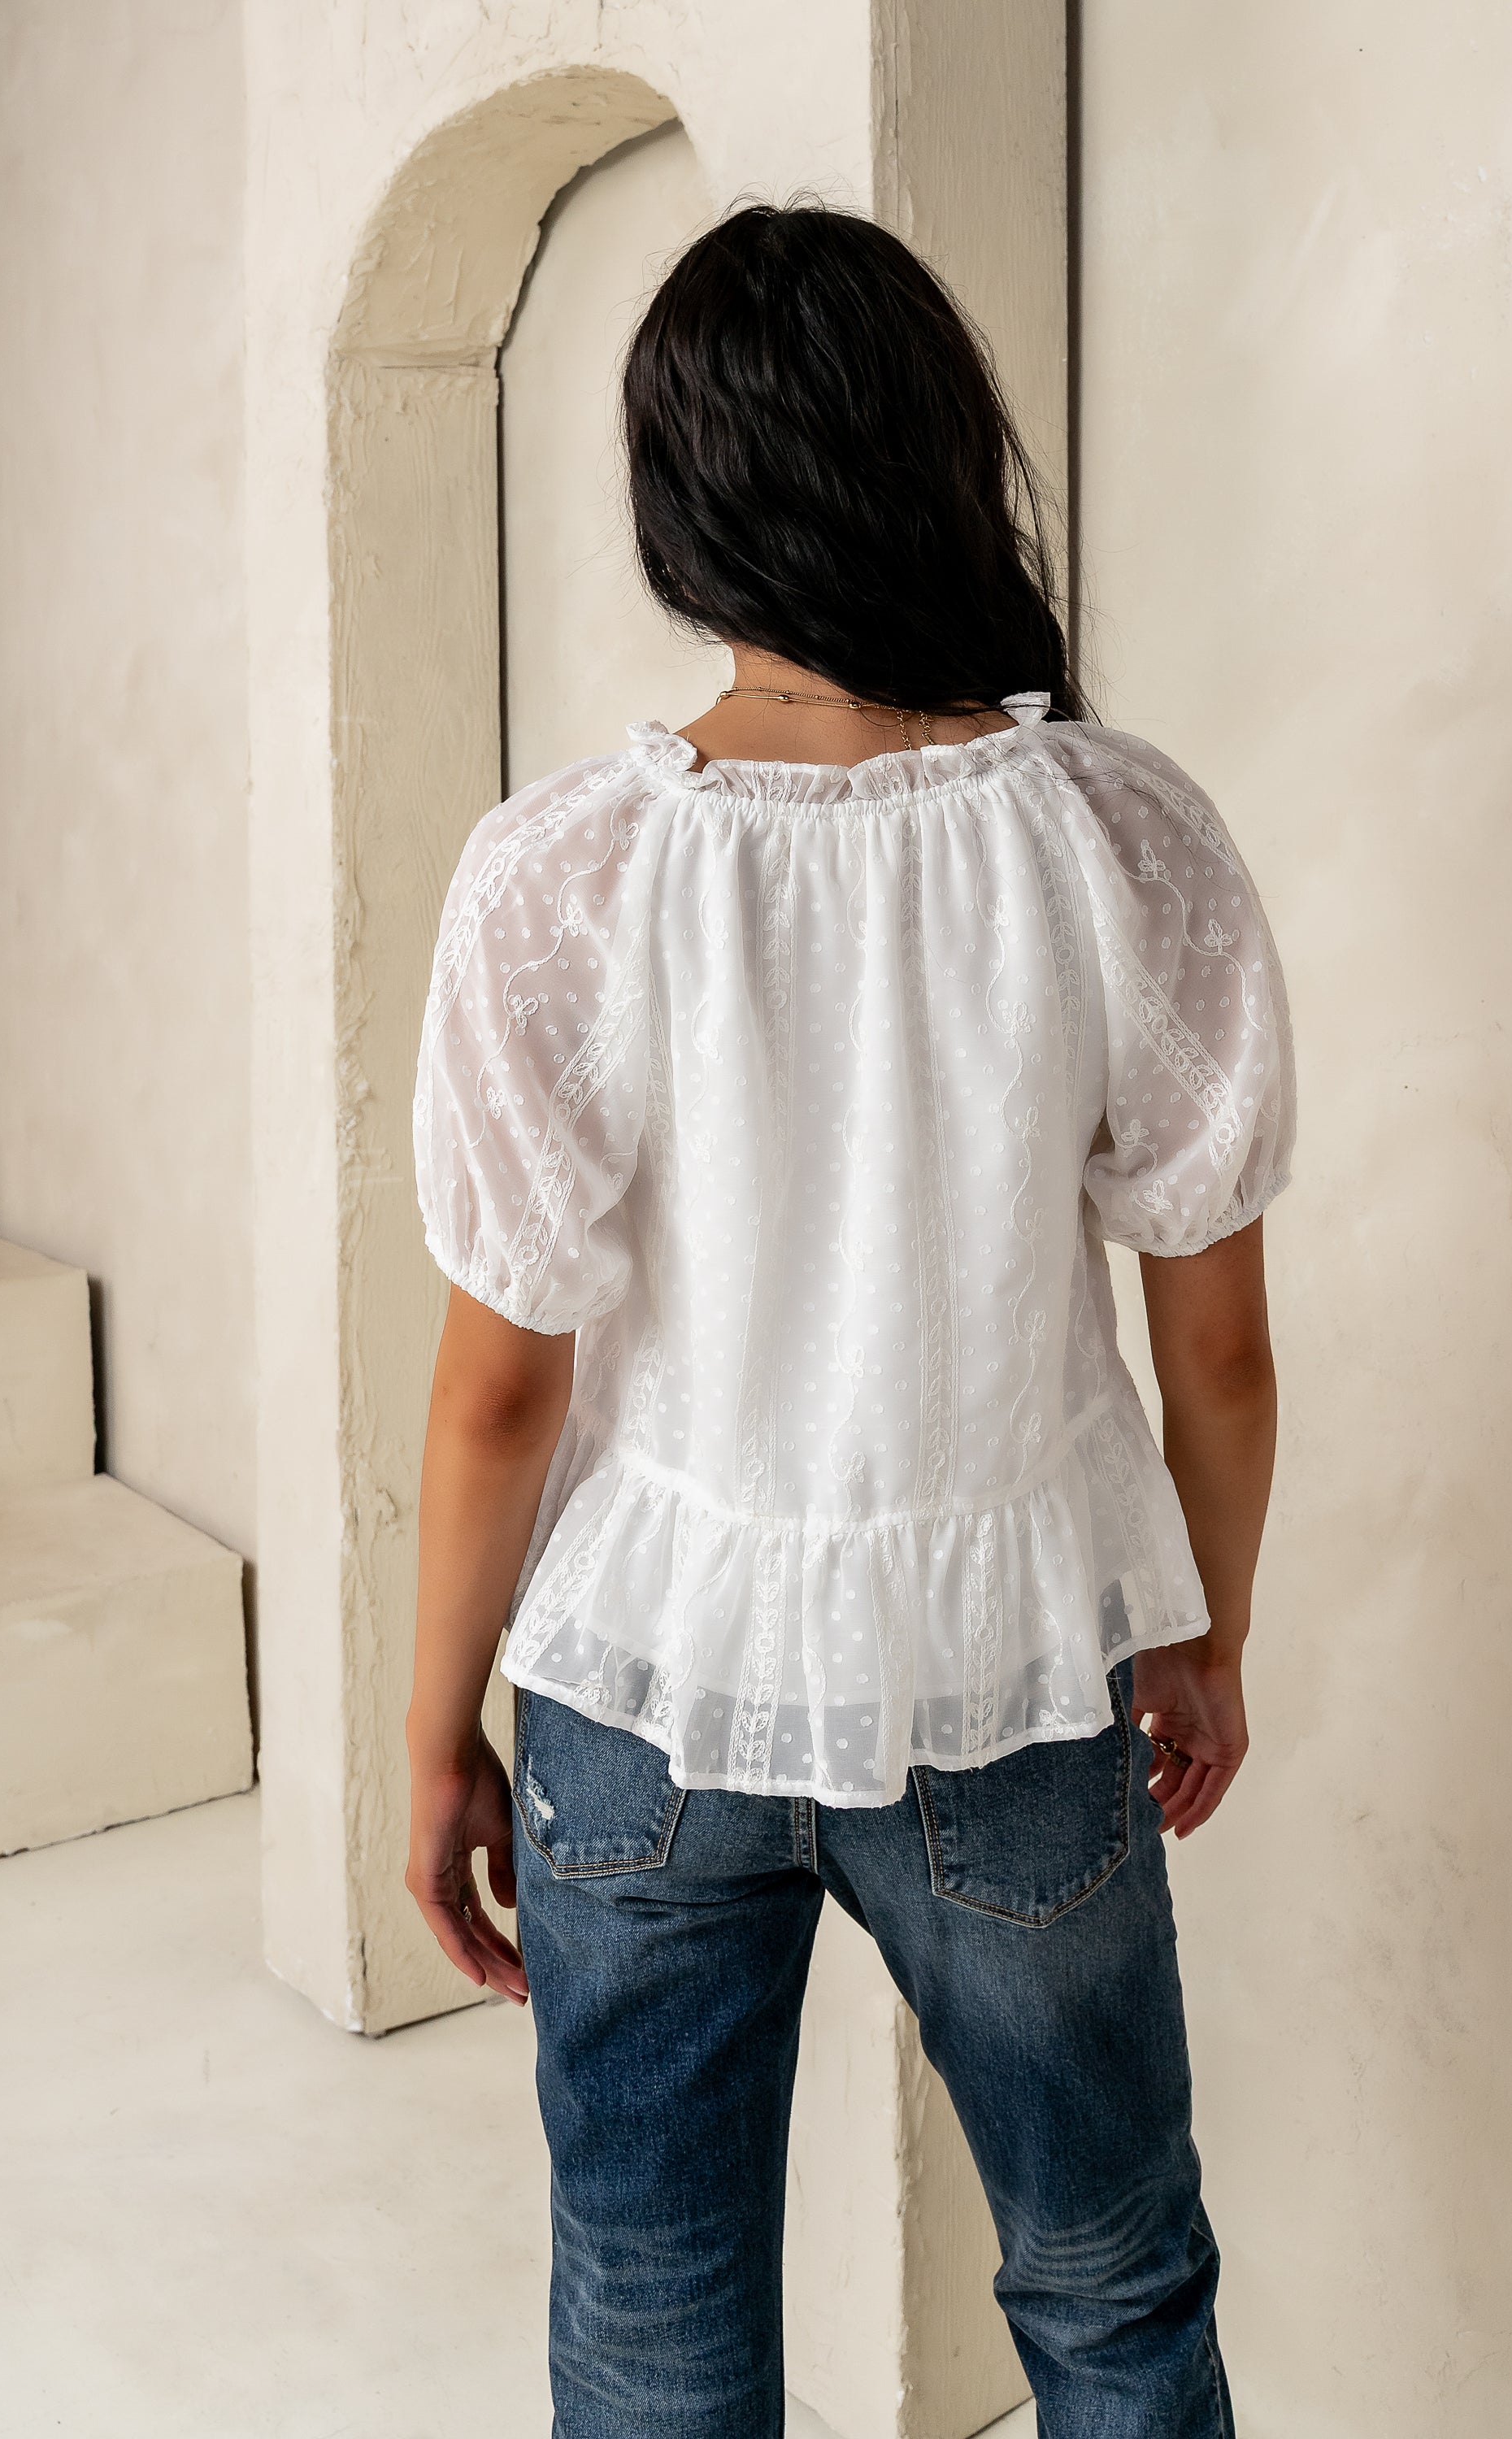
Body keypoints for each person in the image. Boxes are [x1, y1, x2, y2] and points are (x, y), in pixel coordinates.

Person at [405, 202, 1292, 2439]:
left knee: (651, 2314)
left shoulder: (563, 872)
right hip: (1015, 1676)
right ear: (941, 460)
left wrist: (431, 1732)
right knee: (1113, 2289)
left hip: (639, 1691)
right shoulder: (1120, 835)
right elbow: (1219, 1350)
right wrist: (1204, 1630)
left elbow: (501, 1390)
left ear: (677, 502)